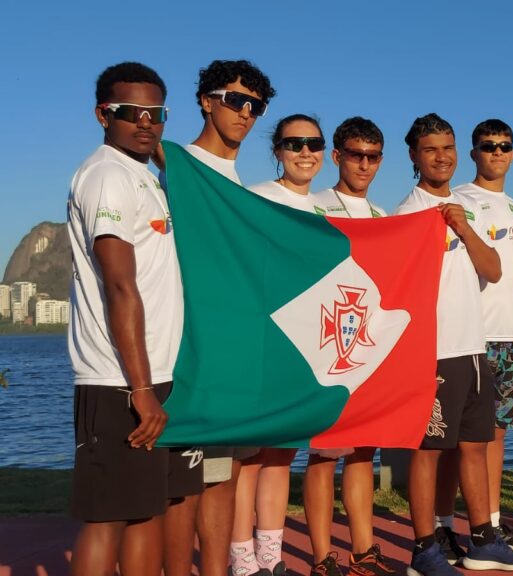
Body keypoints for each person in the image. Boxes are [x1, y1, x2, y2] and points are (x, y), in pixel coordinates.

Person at [67, 61, 203, 576]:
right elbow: (120, 285)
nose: (146, 123)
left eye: (157, 113)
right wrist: (140, 388)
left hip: (158, 374)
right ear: (104, 114)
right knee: (108, 518)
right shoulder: (106, 176)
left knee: (145, 512)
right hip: (119, 380)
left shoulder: (143, 176)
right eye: (132, 113)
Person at [395, 113, 513, 576]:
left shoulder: (464, 206)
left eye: (448, 147)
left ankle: (482, 539)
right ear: (414, 155)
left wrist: (463, 228)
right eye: (431, 149)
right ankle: (424, 550)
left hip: (474, 346)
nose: (442, 157)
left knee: (475, 445)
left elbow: (494, 270)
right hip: (432, 352)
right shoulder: (406, 211)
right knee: (427, 452)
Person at [160, 59, 276, 576]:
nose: (245, 114)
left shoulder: (241, 188)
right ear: (206, 100)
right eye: (234, 100)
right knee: (184, 486)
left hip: (234, 356)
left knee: (224, 479)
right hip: (187, 353)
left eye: (255, 106)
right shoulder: (173, 166)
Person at [229, 114, 326, 576]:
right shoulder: (258, 199)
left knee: (282, 456)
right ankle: (240, 558)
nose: (305, 152)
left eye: (314, 143)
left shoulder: (324, 211)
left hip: (302, 350)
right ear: (277, 151)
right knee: (248, 459)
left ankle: (272, 557)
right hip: (260, 347)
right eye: (294, 143)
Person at [302, 117, 395, 576]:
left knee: (363, 452)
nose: (364, 164)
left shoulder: (382, 217)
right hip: (325, 343)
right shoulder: (314, 206)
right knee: (323, 453)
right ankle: (322, 556)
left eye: (373, 156)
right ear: (336, 156)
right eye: (355, 154)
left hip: (370, 348)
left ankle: (364, 549)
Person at [451, 119, 513, 553]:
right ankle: (450, 524)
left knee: (498, 434)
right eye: (488, 146)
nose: (497, 152)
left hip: (509, 335)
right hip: (471, 334)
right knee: (464, 439)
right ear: (474, 153)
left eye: (504, 146)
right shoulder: (459, 200)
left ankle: (493, 522)